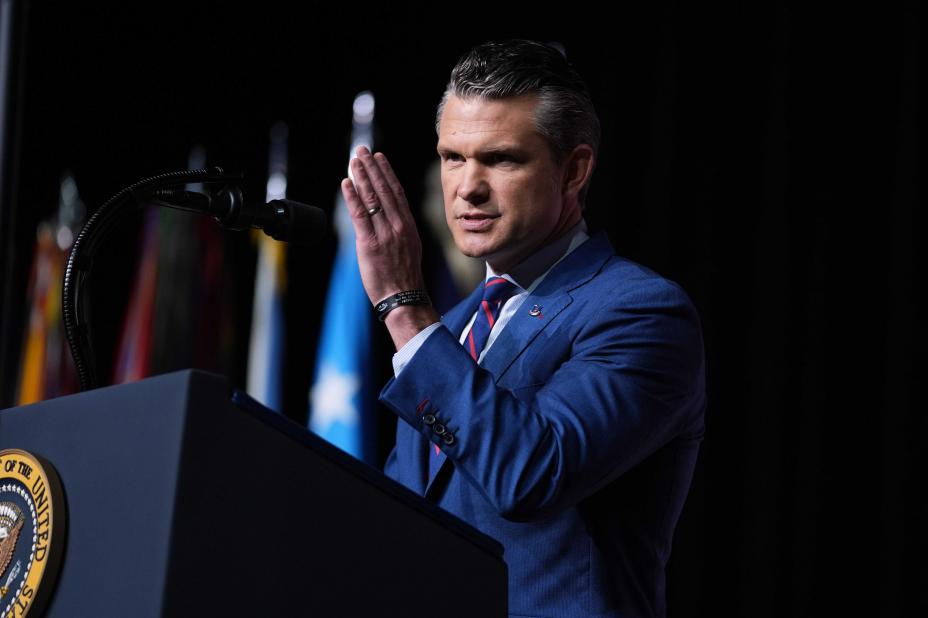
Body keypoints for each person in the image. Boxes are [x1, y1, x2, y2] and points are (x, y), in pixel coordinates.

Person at [341, 39, 705, 618]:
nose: (467, 187)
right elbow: (401, 521)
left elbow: (531, 475)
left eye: (501, 159)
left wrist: (404, 308)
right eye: (453, 157)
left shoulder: (641, 312)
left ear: (574, 170)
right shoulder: (450, 330)